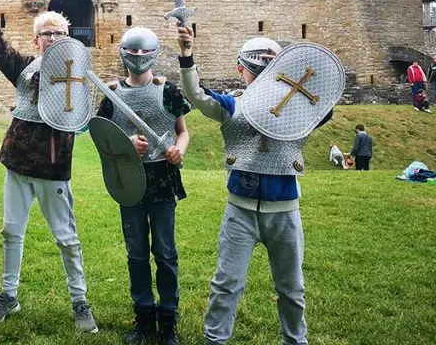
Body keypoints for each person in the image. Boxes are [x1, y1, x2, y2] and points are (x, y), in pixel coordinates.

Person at [176, 28, 334, 345]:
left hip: (284, 211)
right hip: (240, 211)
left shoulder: (299, 108)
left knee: (292, 287)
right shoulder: (233, 106)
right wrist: (186, 54)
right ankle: (215, 340)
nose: (259, 74)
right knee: (226, 283)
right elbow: (196, 96)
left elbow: (325, 105)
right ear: (240, 70)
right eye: (254, 67)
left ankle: (295, 340)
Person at [0, 0, 98, 333]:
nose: (52, 38)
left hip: (54, 167)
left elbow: (95, 114)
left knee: (66, 237)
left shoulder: (79, 76)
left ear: (68, 39)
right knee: (11, 231)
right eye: (46, 34)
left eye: (59, 34)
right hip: (18, 163)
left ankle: (79, 300)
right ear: (36, 39)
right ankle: (8, 294)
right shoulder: (24, 68)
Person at [96, 27, 191, 345]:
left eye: (142, 53)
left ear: (153, 54)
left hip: (162, 178)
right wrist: (124, 145)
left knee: (165, 252)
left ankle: (168, 320)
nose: (137, 58)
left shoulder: (168, 91)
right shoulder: (111, 93)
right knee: (136, 253)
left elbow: (182, 131)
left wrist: (180, 149)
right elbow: (102, 139)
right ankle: (143, 317)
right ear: (123, 53)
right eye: (132, 52)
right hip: (129, 180)